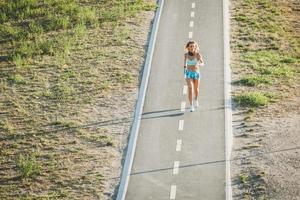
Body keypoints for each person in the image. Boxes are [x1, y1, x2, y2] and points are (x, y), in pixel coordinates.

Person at [183, 41, 204, 112]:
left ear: (195, 47)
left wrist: (199, 64)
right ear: (188, 47)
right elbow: (185, 64)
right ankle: (191, 106)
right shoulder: (186, 55)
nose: (192, 47)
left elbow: (202, 63)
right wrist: (184, 72)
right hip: (188, 73)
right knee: (190, 88)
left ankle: (196, 99)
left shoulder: (198, 55)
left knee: (196, 89)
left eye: (193, 46)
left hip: (196, 73)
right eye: (190, 46)